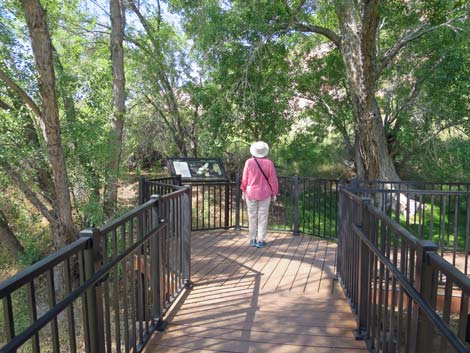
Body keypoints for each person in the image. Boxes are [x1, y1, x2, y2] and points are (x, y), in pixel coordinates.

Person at [241, 141, 279, 248]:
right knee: (263, 217)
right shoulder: (269, 163)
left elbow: (245, 179)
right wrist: (274, 192)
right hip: (264, 193)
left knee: (252, 216)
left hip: (251, 193)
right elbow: (273, 180)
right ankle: (261, 240)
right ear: (264, 152)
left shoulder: (249, 162)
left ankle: (252, 239)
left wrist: (243, 190)